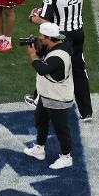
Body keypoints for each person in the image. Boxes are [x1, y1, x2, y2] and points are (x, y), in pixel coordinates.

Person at [28, 0, 92, 121]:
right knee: (79, 71)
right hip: (78, 33)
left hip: (61, 37)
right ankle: (86, 113)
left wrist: (33, 17)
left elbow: (46, 21)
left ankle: (37, 99)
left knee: (48, 64)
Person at [23, 22, 75, 170]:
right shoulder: (56, 46)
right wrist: (38, 49)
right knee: (40, 121)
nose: (40, 38)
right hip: (47, 95)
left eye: (41, 36)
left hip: (58, 98)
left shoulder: (58, 56)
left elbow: (42, 69)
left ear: (49, 38)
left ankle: (66, 157)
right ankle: (39, 148)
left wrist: (33, 56)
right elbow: (45, 55)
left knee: (61, 129)